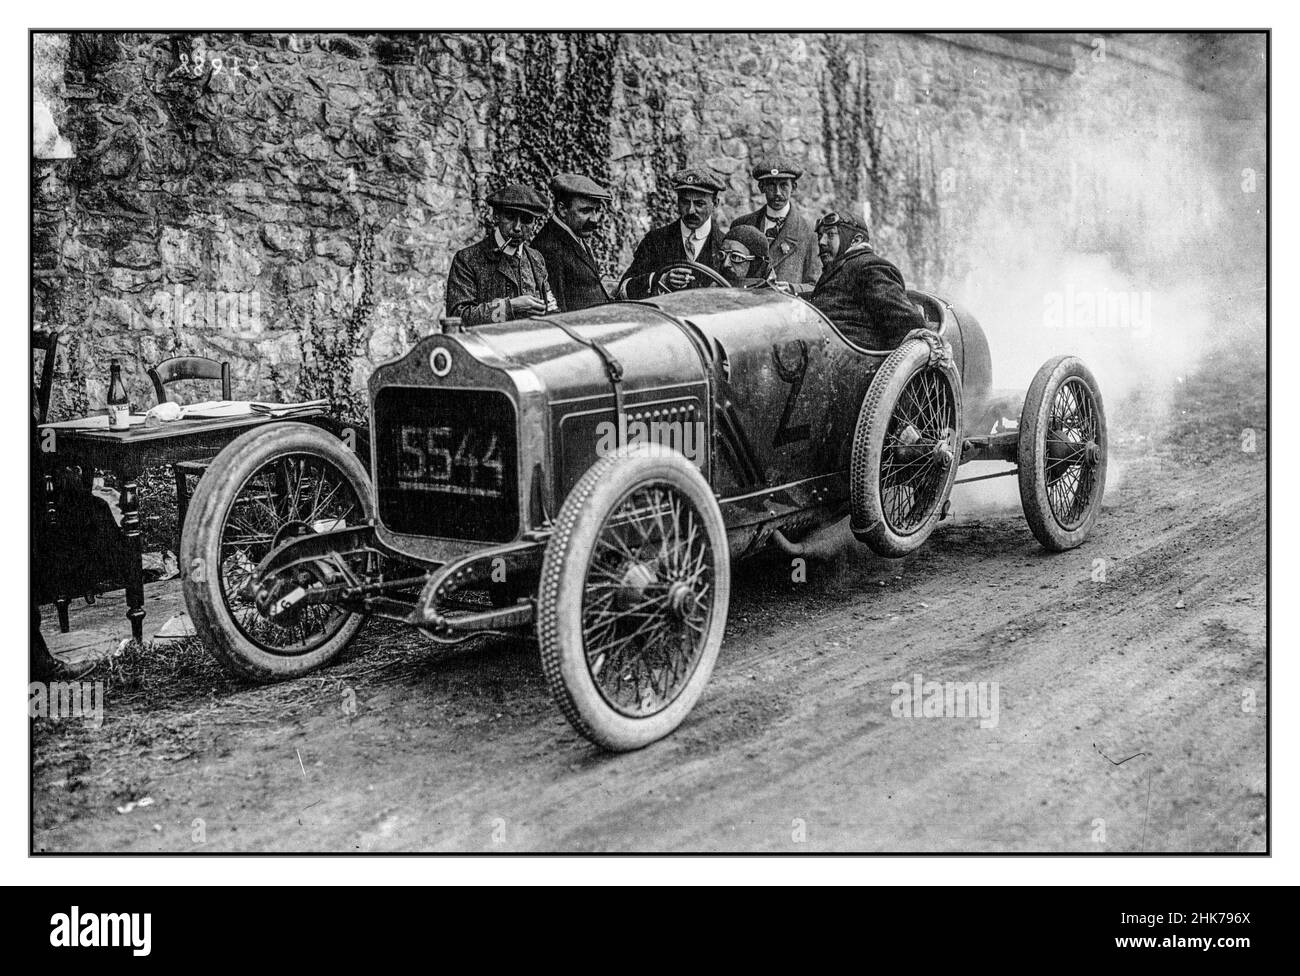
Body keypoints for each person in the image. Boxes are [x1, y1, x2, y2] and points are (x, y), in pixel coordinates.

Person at [808, 211, 926, 349]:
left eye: (830, 234)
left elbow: (909, 325)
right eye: (820, 235)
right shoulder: (837, 269)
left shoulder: (869, 266)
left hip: (852, 364)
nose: (821, 242)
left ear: (856, 240)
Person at [445, 184, 558, 326]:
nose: (517, 228)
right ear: (496, 216)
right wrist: (510, 307)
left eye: (526, 220)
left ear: (535, 224)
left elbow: (552, 308)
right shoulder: (467, 260)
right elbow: (458, 317)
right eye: (510, 217)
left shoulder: (536, 259)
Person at [618, 167, 727, 299]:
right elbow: (623, 289)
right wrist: (660, 280)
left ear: (715, 203)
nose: (691, 210)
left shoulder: (725, 245)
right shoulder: (656, 240)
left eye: (699, 203)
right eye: (685, 202)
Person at [730, 160, 821, 293]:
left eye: (784, 185)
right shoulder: (742, 225)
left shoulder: (809, 232)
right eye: (771, 186)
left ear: (794, 188)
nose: (777, 192)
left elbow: (815, 285)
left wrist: (792, 288)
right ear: (761, 187)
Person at [530, 173, 612, 312]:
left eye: (596, 210)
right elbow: (557, 311)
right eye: (585, 211)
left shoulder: (574, 234)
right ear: (562, 209)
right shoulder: (549, 247)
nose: (595, 219)